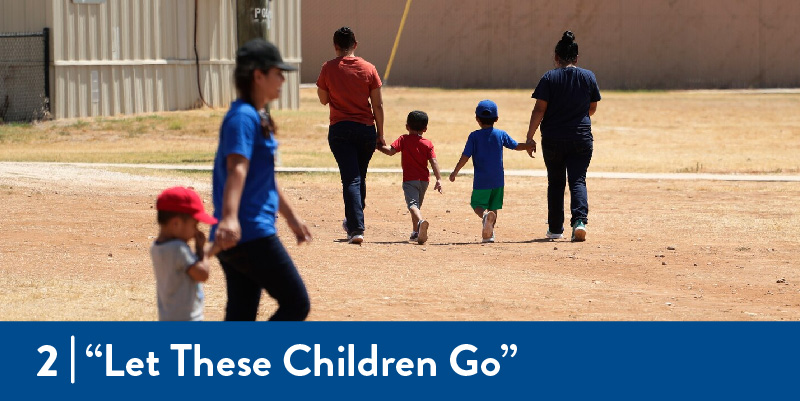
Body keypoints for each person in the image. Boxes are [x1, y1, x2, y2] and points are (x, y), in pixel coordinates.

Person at [211, 39, 312, 321]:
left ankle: (234, 363)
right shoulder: (243, 117)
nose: (282, 79)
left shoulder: (256, 115)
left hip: (243, 233)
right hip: (250, 233)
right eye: (277, 72)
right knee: (296, 304)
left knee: (241, 317)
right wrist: (229, 218)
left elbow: (265, 176)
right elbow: (237, 170)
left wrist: (292, 218)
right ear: (258, 75)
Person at [526, 31, 601, 242]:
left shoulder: (549, 78)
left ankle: (555, 228)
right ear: (576, 58)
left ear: (556, 57)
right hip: (581, 137)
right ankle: (579, 221)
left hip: (553, 138)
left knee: (556, 182)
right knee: (578, 180)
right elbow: (592, 108)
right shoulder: (588, 77)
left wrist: (530, 137)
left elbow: (539, 109)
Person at [316, 26, 385, 245]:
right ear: (355, 44)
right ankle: (354, 220)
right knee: (359, 176)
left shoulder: (328, 68)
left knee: (351, 178)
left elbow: (323, 99)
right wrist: (380, 134)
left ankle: (355, 227)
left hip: (340, 129)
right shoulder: (369, 68)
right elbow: (378, 104)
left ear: (335, 46)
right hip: (365, 129)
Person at [449, 100, 535, 243]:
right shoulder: (500, 134)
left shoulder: (474, 136)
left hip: (481, 180)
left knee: (477, 205)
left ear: (477, 119)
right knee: (493, 208)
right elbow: (515, 146)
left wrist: (455, 171)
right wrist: (528, 145)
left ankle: (484, 217)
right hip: (498, 179)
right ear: (496, 119)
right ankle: (490, 234)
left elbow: (465, 156)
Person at [151, 186, 219, 321]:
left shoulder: (156, 247)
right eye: (194, 225)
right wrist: (201, 249)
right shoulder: (178, 248)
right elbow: (202, 274)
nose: (196, 231)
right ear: (176, 223)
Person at [377, 110, 442, 245]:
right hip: (424, 180)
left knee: (412, 205)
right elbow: (434, 161)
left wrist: (377, 146)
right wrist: (439, 179)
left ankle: (420, 222)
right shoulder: (428, 143)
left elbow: (390, 151)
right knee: (417, 206)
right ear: (425, 129)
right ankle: (415, 232)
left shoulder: (404, 139)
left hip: (409, 180)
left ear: (407, 126)